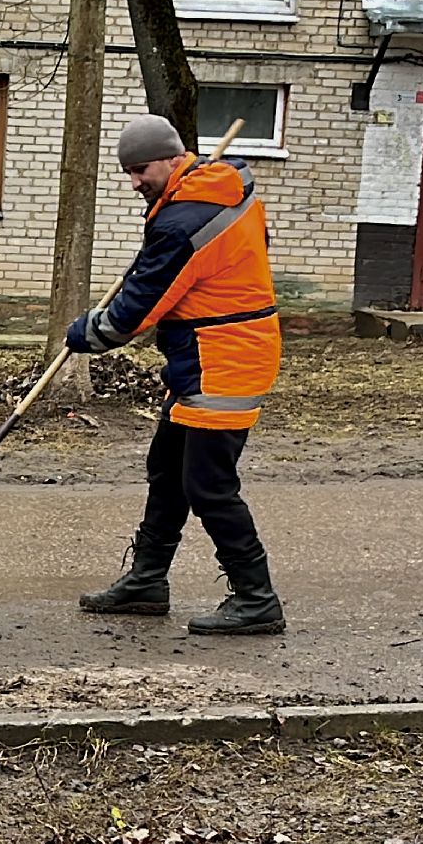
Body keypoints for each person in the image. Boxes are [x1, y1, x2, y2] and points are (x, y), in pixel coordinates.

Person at [65, 113, 285, 635]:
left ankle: (257, 599)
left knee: (208, 486)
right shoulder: (217, 193)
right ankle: (147, 581)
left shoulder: (184, 222)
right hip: (200, 358)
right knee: (167, 470)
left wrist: (84, 334)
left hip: (224, 363)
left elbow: (133, 315)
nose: (134, 182)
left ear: (170, 159)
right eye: (128, 172)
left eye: (140, 170)